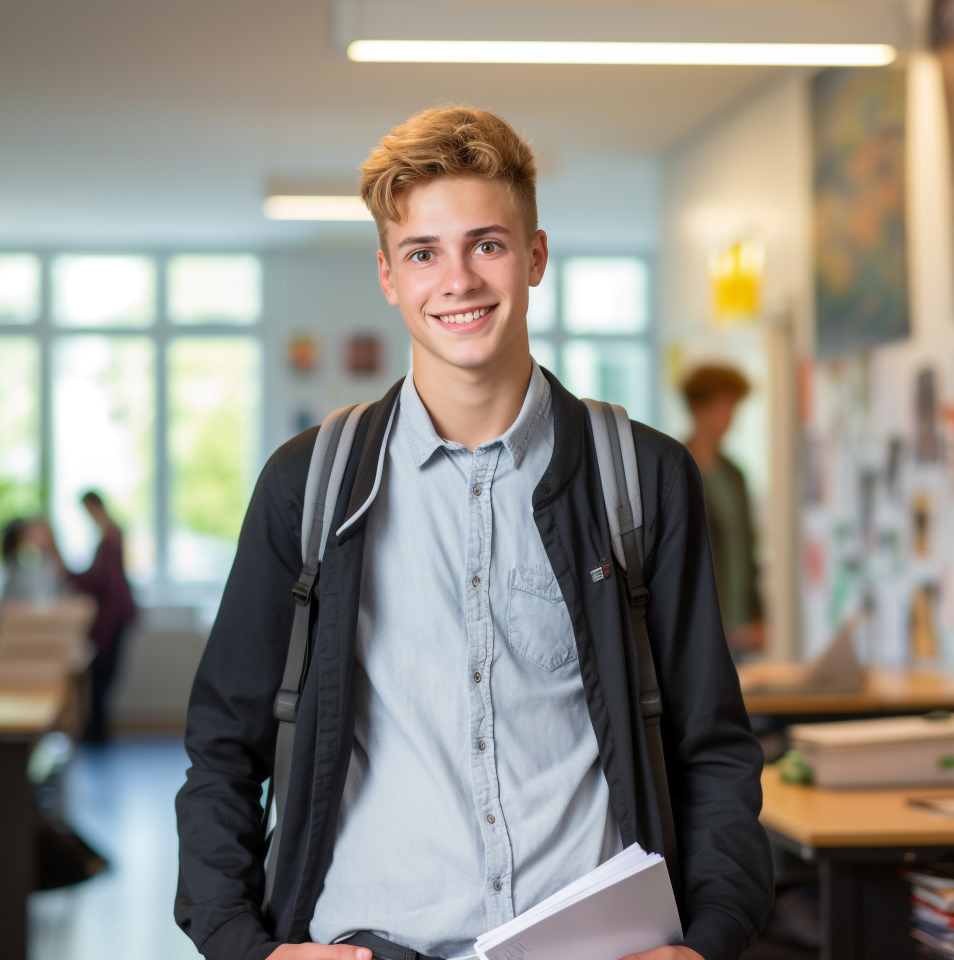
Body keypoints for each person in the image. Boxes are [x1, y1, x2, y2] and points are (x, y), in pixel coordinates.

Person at [175, 107, 773, 960]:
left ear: (533, 257)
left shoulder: (642, 477)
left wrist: (707, 940)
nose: (457, 280)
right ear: (389, 275)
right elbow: (221, 752)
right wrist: (244, 944)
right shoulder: (307, 484)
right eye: (424, 252)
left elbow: (711, 746)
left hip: (598, 949)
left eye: (486, 244)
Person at [681, 365, 765, 659]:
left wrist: (758, 615)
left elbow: (747, 549)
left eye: (733, 406)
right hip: (698, 627)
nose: (729, 416)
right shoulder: (675, 469)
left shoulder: (735, 474)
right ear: (697, 408)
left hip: (742, 629)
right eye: (722, 405)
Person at [59, 491, 137, 744]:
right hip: (114, 617)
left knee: (103, 675)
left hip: (112, 618)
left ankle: (97, 734)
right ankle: (96, 732)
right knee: (102, 675)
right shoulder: (110, 535)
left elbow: (104, 583)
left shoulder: (110, 537)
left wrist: (70, 574)